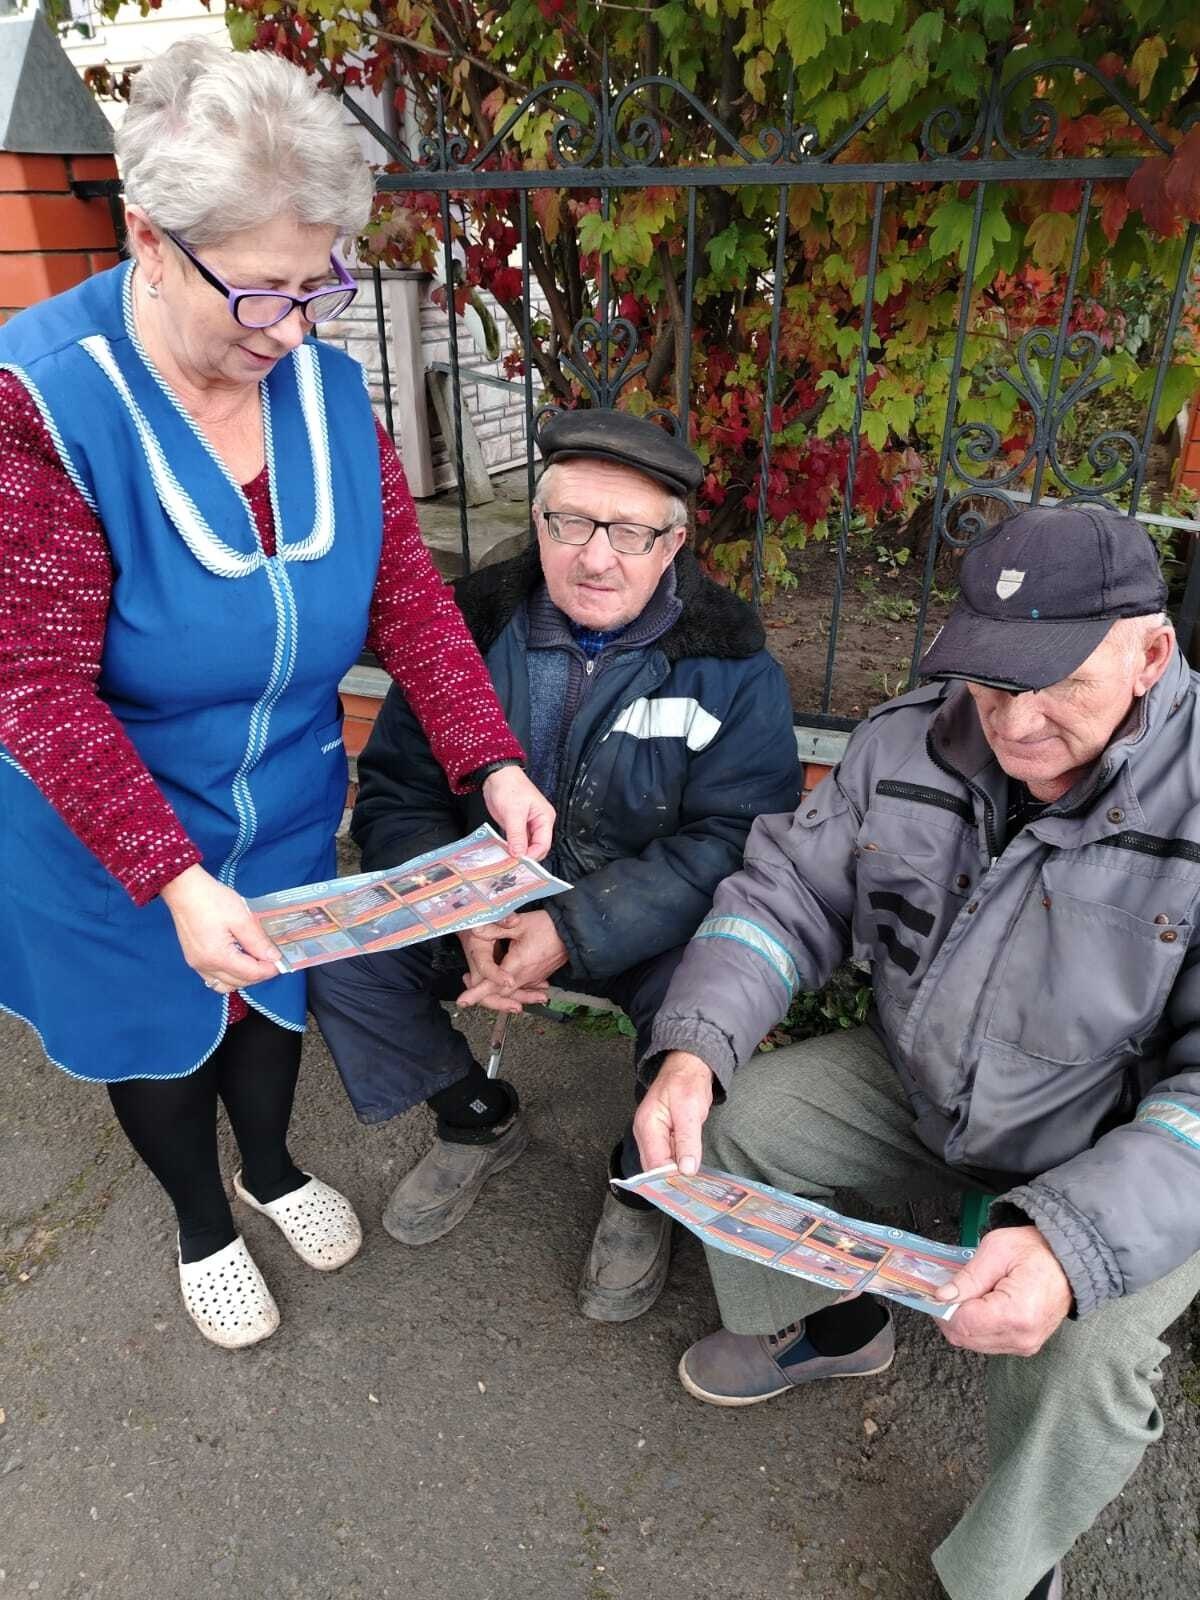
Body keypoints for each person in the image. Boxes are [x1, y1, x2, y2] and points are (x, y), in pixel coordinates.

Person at [0, 41, 552, 1350]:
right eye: (261, 294)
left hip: (288, 798)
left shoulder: (315, 376)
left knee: (275, 1005)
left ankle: (275, 1163)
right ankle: (201, 1217)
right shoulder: (42, 402)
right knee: (159, 1033)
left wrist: (494, 764)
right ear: (146, 234)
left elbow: (406, 595)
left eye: (319, 288)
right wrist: (176, 880)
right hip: (113, 830)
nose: (297, 328)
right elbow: (32, 687)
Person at [635, 504, 1200, 1600]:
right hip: (930, 1079)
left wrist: (1072, 1237)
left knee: (1084, 1349)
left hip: (1121, 1141)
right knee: (738, 1120)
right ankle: (836, 1327)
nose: (1015, 724)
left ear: (1151, 653)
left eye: (1056, 685)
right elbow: (785, 896)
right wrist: (694, 1046)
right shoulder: (911, 737)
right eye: (991, 682)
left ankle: (1006, 1565)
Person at [308, 408, 801, 1320]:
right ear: (538, 526)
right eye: (569, 524)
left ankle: (638, 1180)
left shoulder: (730, 667)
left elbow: (737, 840)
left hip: (643, 922)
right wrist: (459, 907)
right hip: (480, 904)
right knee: (344, 956)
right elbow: (398, 795)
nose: (595, 557)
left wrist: (571, 928)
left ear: (675, 543)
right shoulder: (462, 636)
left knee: (705, 1023)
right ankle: (476, 1116)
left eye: (630, 532)